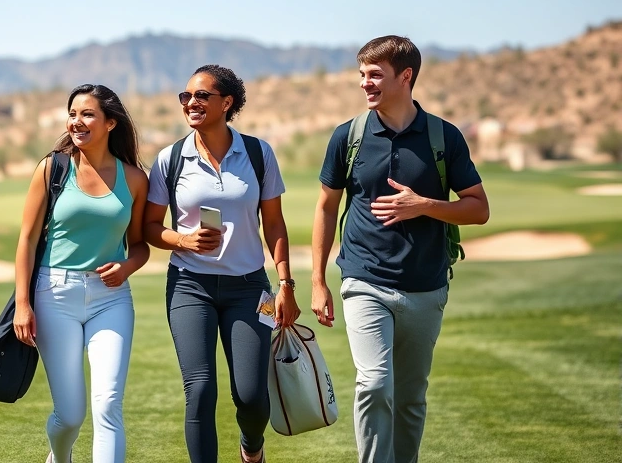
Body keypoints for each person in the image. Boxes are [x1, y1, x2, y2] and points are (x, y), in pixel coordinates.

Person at [310, 36, 489, 463]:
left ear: (405, 77)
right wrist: (317, 280)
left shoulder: (443, 137)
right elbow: (325, 206)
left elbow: (479, 209)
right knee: (374, 384)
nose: (364, 84)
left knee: (410, 397)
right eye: (361, 75)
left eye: (375, 75)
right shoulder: (347, 136)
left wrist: (424, 205)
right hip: (364, 279)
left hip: (426, 286)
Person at [143, 65, 297, 463]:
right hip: (189, 286)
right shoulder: (171, 158)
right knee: (199, 388)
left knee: (251, 396)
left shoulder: (259, 154)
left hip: (251, 289)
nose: (190, 103)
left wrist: (286, 285)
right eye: (185, 96)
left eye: (200, 96)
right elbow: (148, 227)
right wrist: (183, 239)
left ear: (226, 103)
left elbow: (275, 223)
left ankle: (252, 447)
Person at [13, 84, 149, 463]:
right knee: (70, 416)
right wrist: (23, 304)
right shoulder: (51, 168)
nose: (77, 121)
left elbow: (140, 247)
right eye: (73, 114)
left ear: (110, 123)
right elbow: (25, 240)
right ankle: (59, 458)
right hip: (54, 295)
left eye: (87, 114)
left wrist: (126, 267)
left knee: (108, 405)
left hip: (112, 300)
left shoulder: (135, 179)